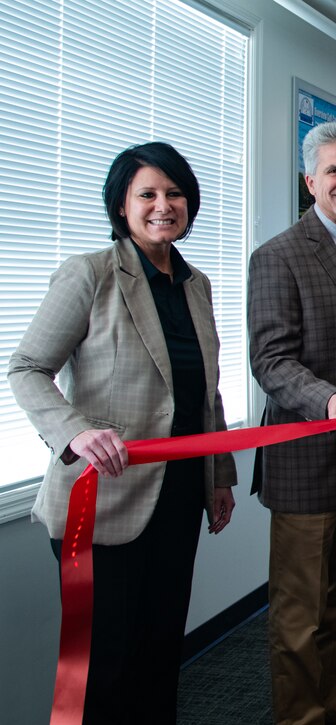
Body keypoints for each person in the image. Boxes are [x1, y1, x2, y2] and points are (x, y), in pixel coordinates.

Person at [7, 142, 237, 724]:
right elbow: (27, 369)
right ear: (122, 206)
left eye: (175, 193)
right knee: (104, 663)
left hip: (180, 494)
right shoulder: (90, 274)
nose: (164, 205)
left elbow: (205, 392)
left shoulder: (196, 284)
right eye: (149, 194)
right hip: (102, 498)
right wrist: (75, 433)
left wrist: (220, 477)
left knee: (160, 653)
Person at [248, 122, 336, 725]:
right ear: (311, 181)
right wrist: (327, 398)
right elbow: (271, 361)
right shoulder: (278, 256)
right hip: (306, 463)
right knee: (301, 613)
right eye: (334, 170)